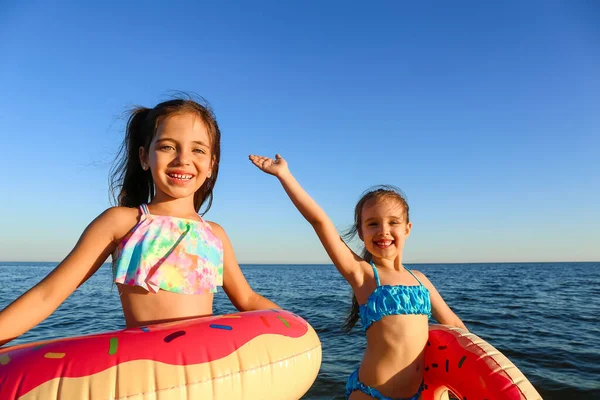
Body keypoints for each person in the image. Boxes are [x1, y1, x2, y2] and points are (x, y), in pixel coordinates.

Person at [0, 97, 279, 346]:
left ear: (211, 166)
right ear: (145, 157)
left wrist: (297, 327)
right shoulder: (122, 222)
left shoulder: (214, 234)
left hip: (203, 370)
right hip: (147, 369)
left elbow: (248, 300)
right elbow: (48, 294)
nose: (183, 159)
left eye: (198, 150)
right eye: (168, 146)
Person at [249, 154, 466, 400]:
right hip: (372, 394)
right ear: (361, 233)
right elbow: (319, 221)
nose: (383, 230)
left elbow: (455, 326)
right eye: (372, 224)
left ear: (407, 229)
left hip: (420, 394)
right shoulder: (362, 274)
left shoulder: (420, 280)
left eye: (393, 222)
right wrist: (284, 175)